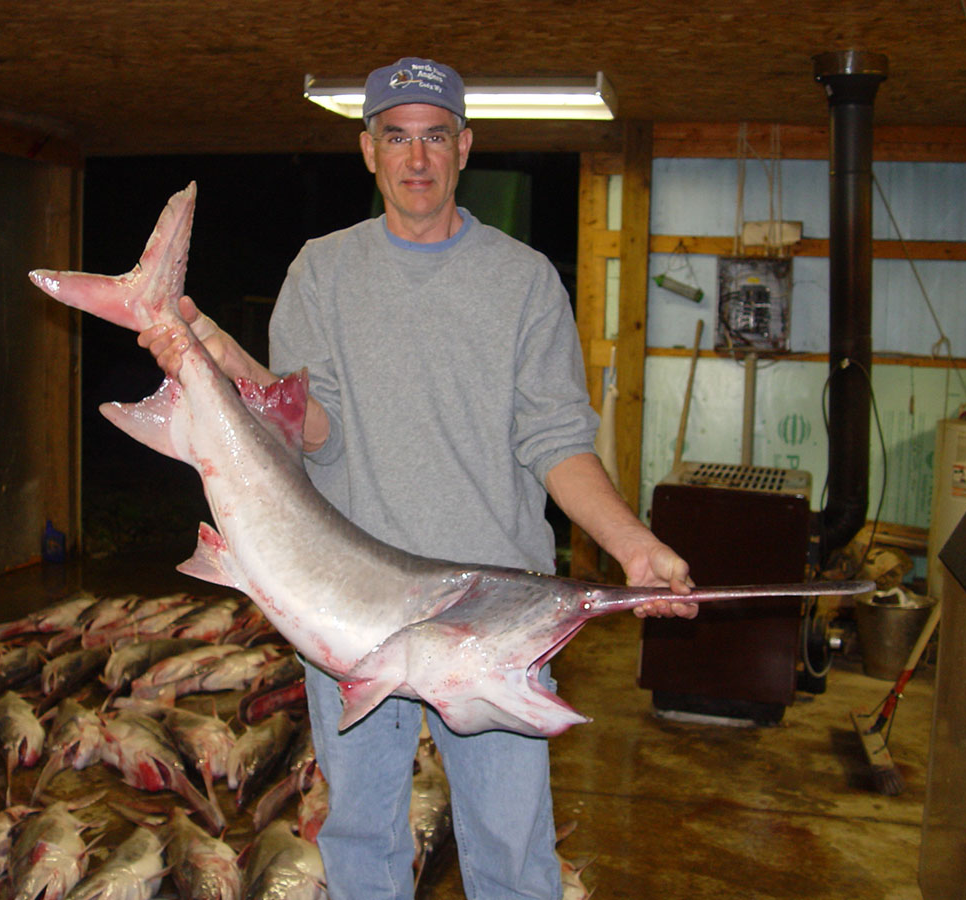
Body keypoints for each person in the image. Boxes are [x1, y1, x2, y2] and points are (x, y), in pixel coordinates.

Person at [141, 57, 695, 900]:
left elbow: (556, 441)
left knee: (515, 853)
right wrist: (214, 355)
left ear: (464, 146)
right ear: (368, 151)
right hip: (349, 605)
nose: (417, 159)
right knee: (362, 839)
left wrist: (632, 544)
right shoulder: (321, 272)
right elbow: (309, 429)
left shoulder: (524, 281)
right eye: (396, 139)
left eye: (435, 137)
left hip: (491, 615)